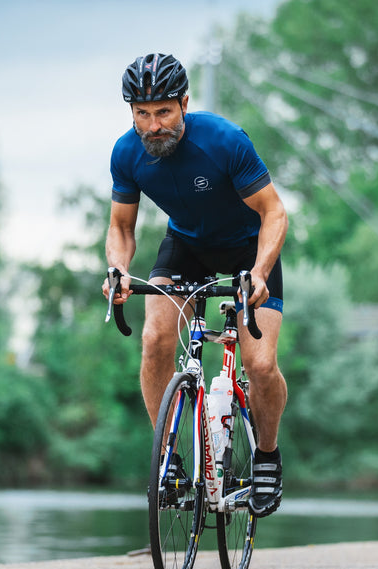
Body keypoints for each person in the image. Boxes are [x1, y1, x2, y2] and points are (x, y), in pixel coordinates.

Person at [102, 53, 288, 517]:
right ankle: (169, 461)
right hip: (185, 247)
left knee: (260, 364)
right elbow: (122, 227)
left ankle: (266, 455)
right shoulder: (126, 153)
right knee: (154, 339)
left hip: (248, 251)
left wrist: (261, 272)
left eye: (163, 111)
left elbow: (274, 212)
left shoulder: (223, 141)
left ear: (184, 103)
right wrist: (119, 270)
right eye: (142, 114)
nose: (153, 125)